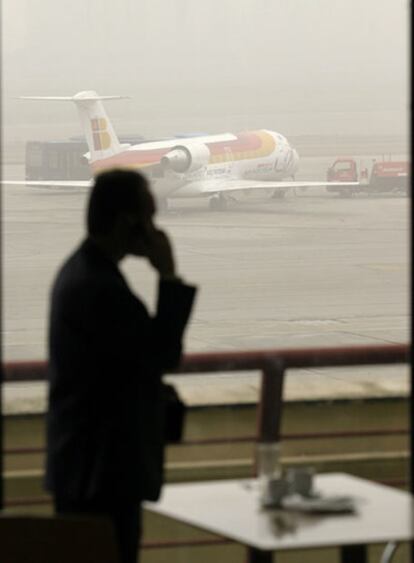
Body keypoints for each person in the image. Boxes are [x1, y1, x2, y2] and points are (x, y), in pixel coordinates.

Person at [46, 169, 196, 563]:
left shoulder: (82, 274)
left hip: (86, 471)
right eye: (148, 217)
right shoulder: (100, 289)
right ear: (129, 222)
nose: (153, 228)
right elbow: (163, 354)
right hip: (102, 476)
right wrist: (167, 274)